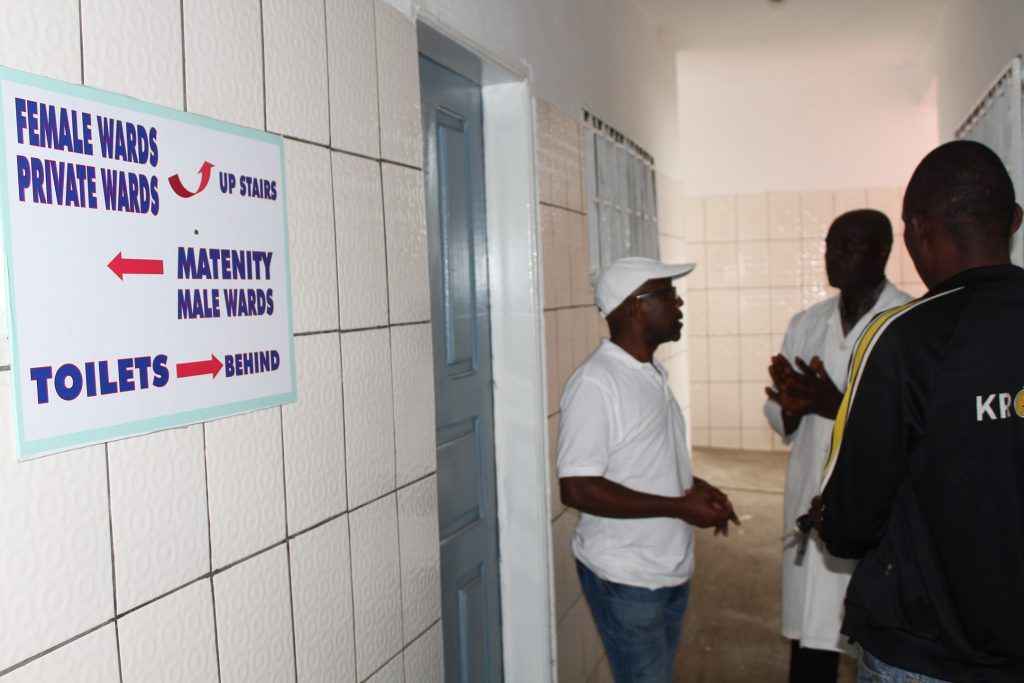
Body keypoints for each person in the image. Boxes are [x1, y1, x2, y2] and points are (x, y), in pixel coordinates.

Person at [814, 140, 1024, 682]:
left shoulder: (902, 339)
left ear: (917, 230)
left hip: (927, 650)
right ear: (1014, 221)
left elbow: (851, 522)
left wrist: (826, 517)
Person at [557, 256, 739, 683]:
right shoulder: (596, 383)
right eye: (668, 294)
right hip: (626, 577)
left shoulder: (651, 372)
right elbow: (577, 488)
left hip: (668, 569)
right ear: (637, 307)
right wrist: (679, 507)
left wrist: (697, 487)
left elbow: (644, 460)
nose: (679, 303)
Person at [764, 210, 912, 682]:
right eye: (830, 245)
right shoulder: (807, 323)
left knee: (868, 636)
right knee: (811, 638)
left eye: (849, 246)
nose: (835, 255)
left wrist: (836, 403)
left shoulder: (906, 322)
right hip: (810, 490)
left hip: (872, 508)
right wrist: (791, 405)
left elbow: (912, 423)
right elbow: (779, 414)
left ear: (883, 251)